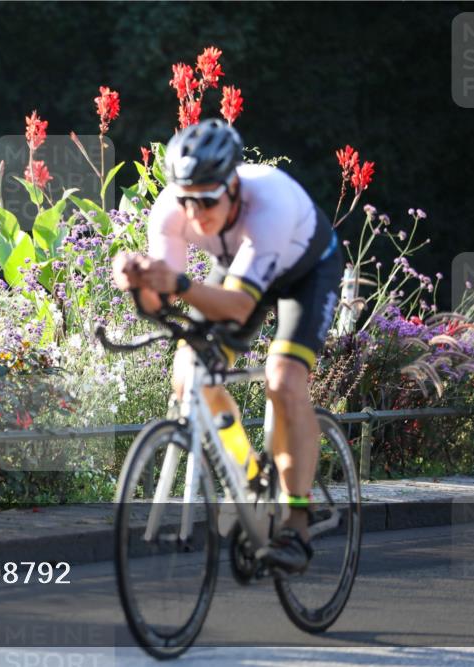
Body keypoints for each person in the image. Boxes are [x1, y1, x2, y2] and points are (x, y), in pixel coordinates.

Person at [112, 119, 342, 573]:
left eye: (208, 199)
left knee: (284, 377)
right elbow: (166, 294)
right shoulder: (169, 212)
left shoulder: (268, 203)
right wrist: (137, 279)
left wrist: (175, 283)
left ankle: (296, 519)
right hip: (241, 267)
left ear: (233, 185)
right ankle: (252, 472)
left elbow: (236, 306)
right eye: (186, 199)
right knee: (187, 371)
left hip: (305, 273)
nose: (196, 212)